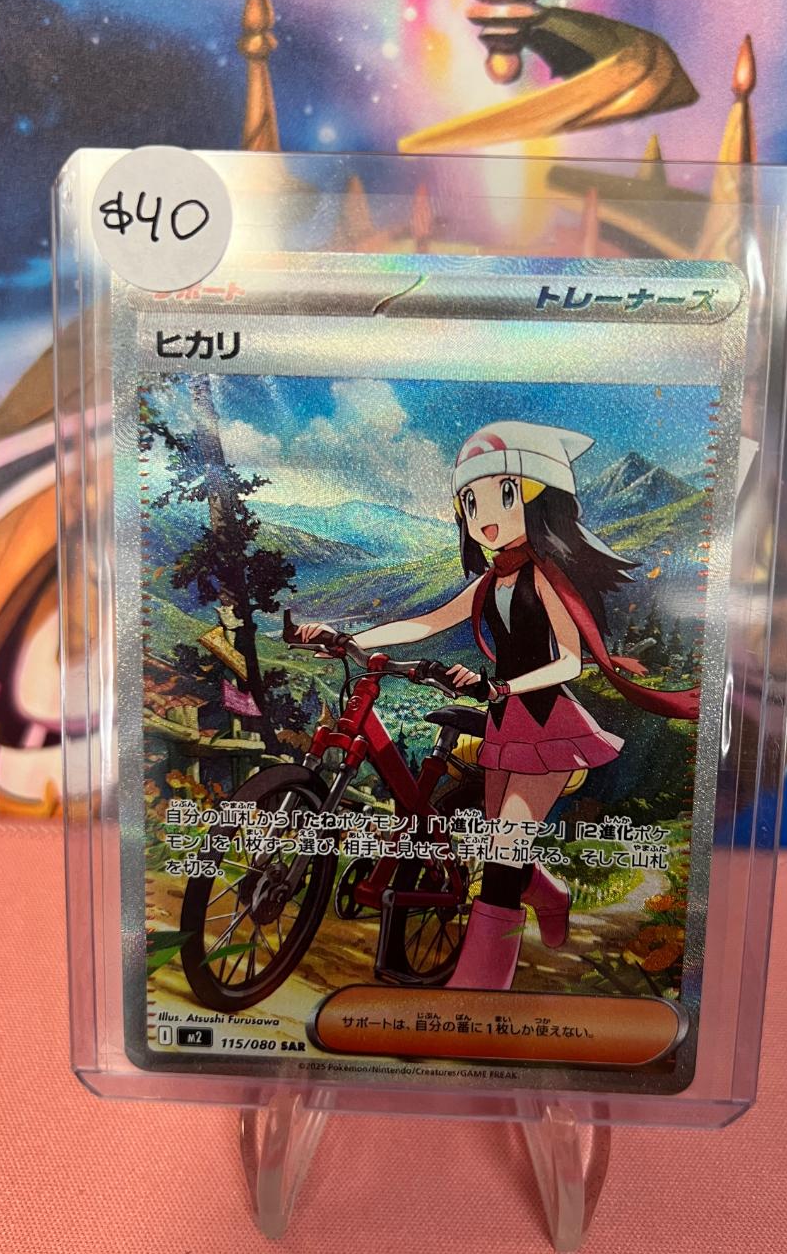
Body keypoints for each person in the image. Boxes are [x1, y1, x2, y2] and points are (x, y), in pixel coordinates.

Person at [297, 421, 698, 991]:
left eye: (505, 495)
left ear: (542, 501)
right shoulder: (493, 581)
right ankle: (551, 896)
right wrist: (348, 637)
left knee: (504, 858)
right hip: (506, 724)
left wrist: (504, 687)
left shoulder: (548, 578)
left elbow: (568, 662)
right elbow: (428, 622)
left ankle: (477, 993)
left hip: (549, 723)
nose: (484, 517)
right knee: (502, 844)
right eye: (470, 502)